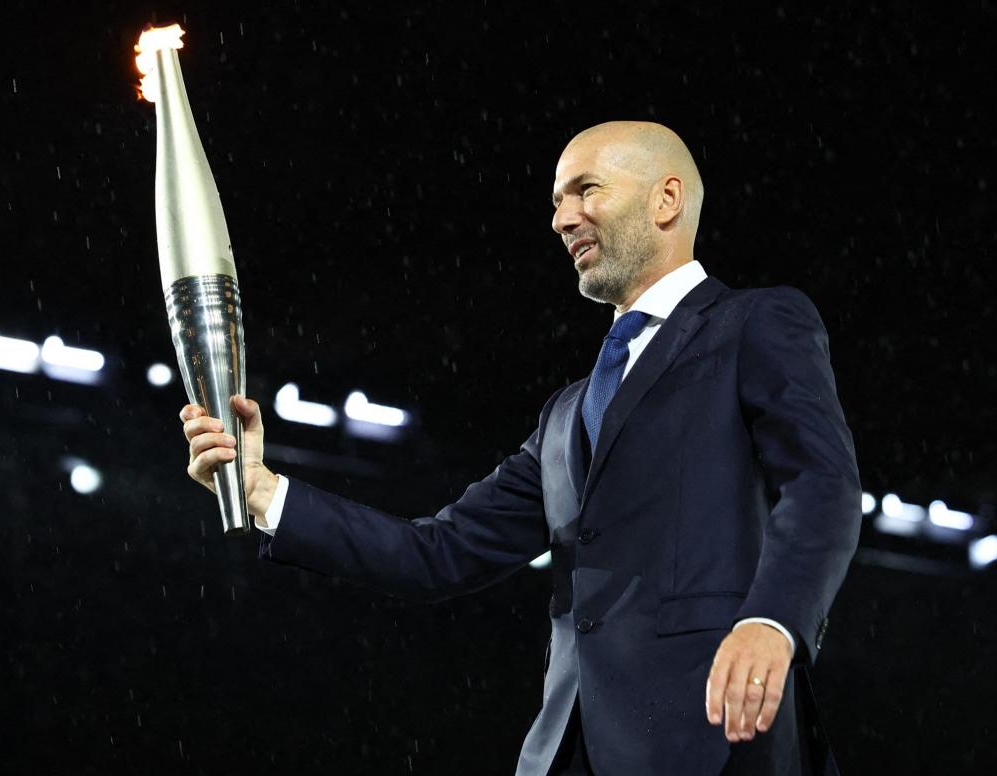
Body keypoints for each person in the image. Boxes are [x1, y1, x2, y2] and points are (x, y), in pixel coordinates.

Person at [179, 121, 860, 775]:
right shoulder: (565, 414)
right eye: (557, 201)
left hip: (713, 737)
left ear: (666, 198)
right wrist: (264, 488)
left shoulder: (755, 322)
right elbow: (435, 555)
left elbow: (821, 484)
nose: (562, 219)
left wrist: (772, 620)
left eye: (586, 190)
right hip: (562, 749)